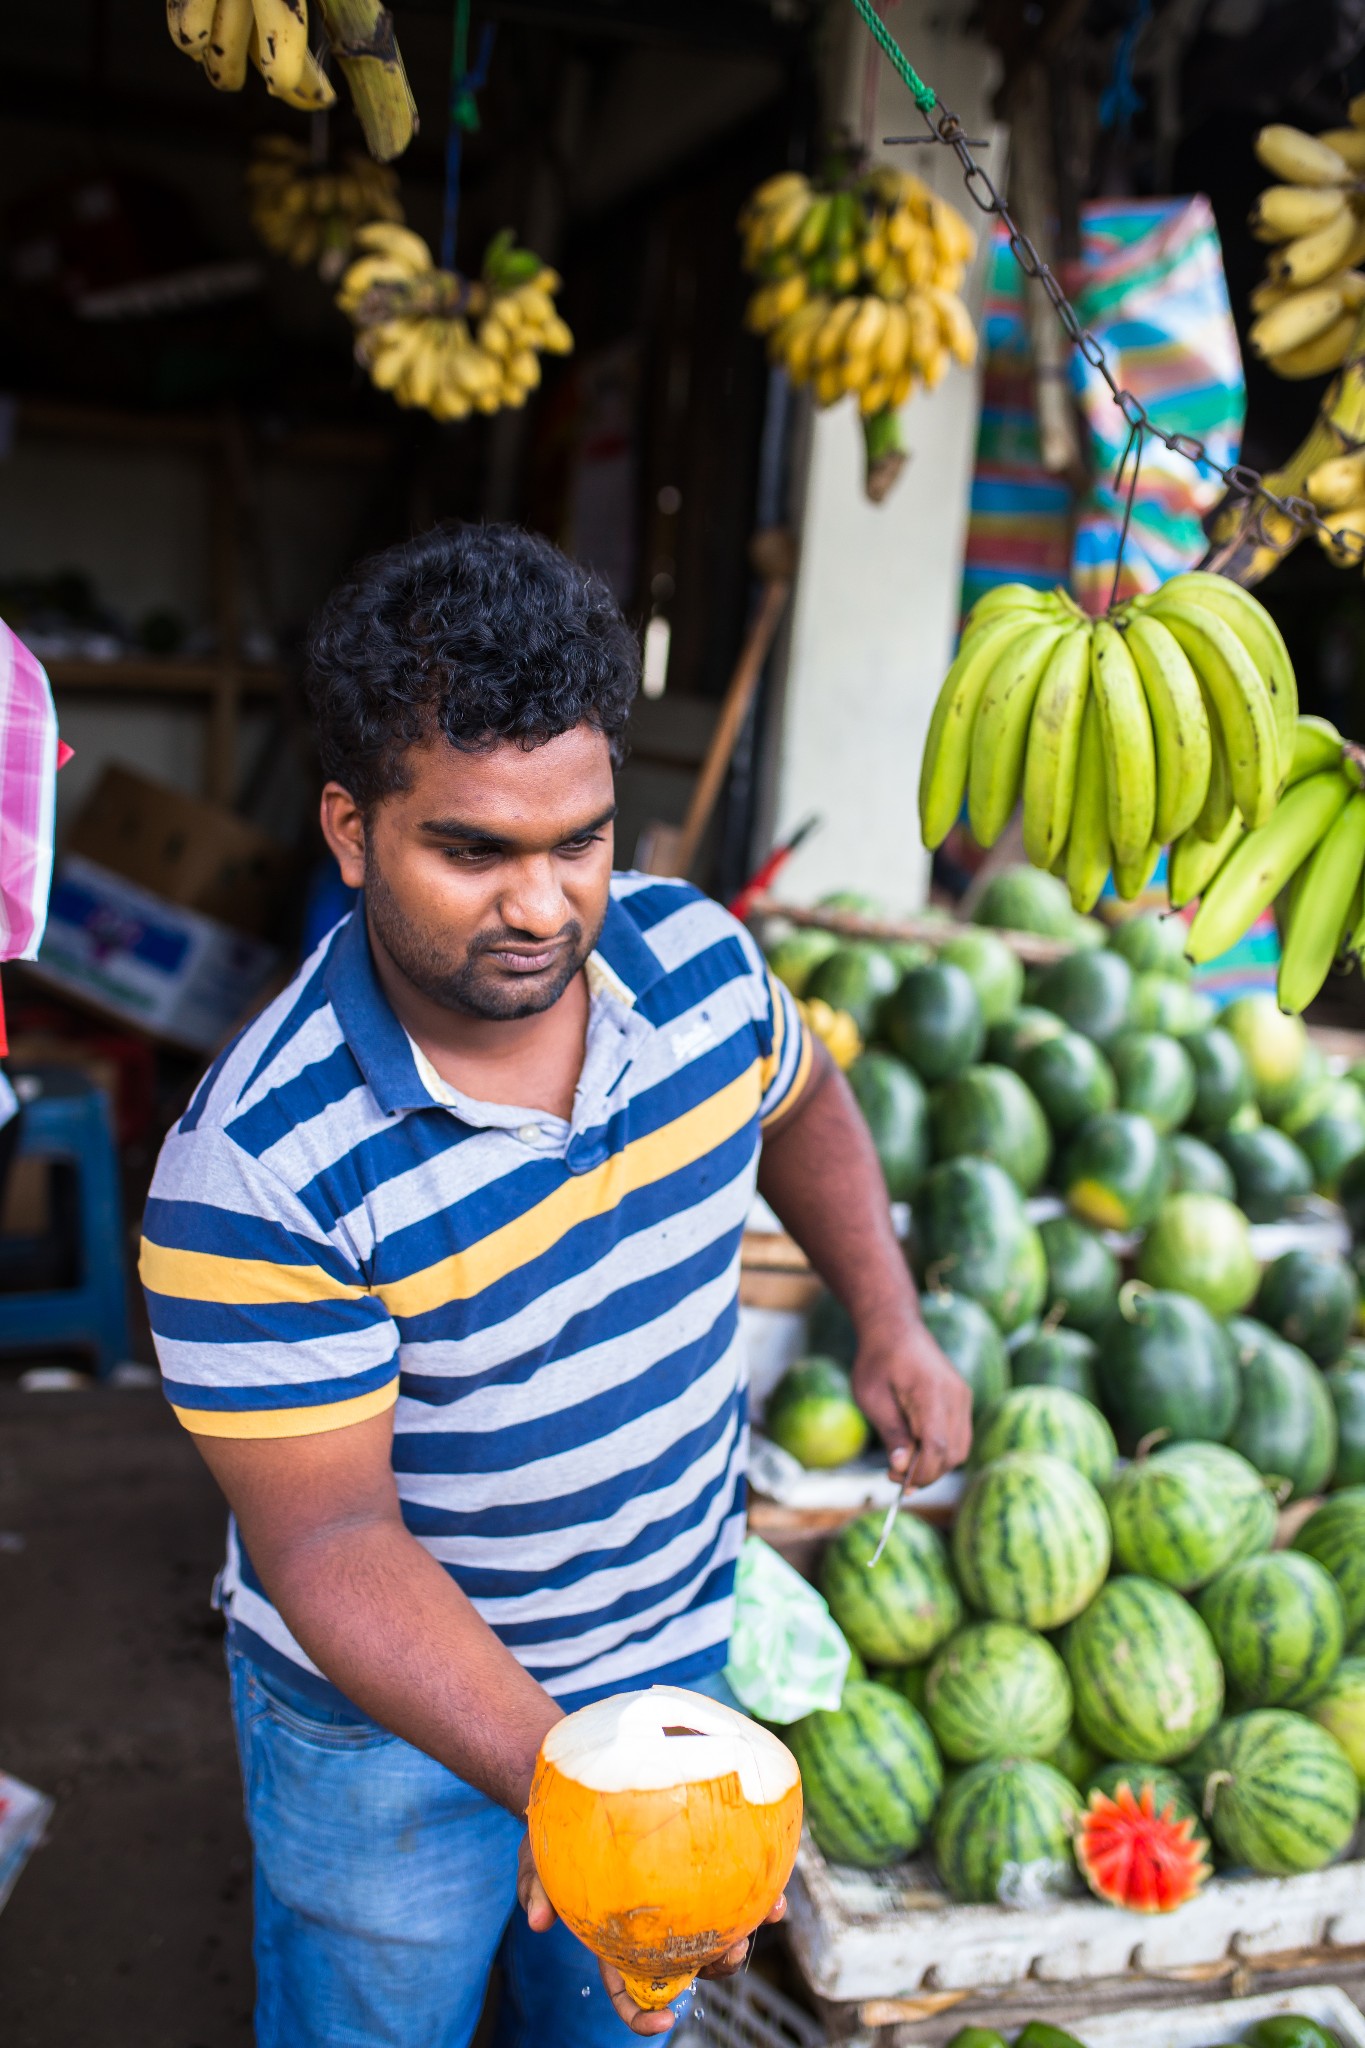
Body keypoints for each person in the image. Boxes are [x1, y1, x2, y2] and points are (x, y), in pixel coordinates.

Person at [140, 523, 970, 2048]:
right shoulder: (253, 1165)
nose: (540, 905)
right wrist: (567, 1785)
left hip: (665, 1670)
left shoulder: (703, 970)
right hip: (382, 1736)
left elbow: (804, 1105)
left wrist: (889, 1315)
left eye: (577, 839)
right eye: (472, 849)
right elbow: (328, 1537)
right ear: (347, 827)